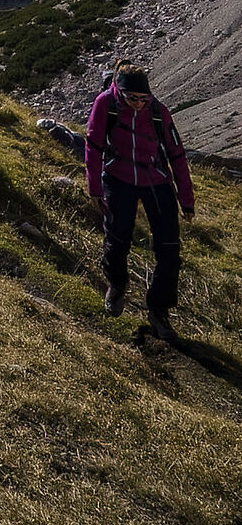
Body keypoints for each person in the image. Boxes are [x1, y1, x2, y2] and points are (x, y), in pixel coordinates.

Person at [85, 62, 194, 341]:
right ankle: (117, 284)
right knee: (117, 239)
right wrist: (94, 187)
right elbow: (94, 145)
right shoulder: (105, 104)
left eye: (144, 98)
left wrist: (186, 199)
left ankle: (159, 310)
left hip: (155, 181)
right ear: (119, 90)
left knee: (169, 249)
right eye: (132, 98)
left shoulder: (158, 112)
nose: (138, 104)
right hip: (118, 178)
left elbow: (177, 154)